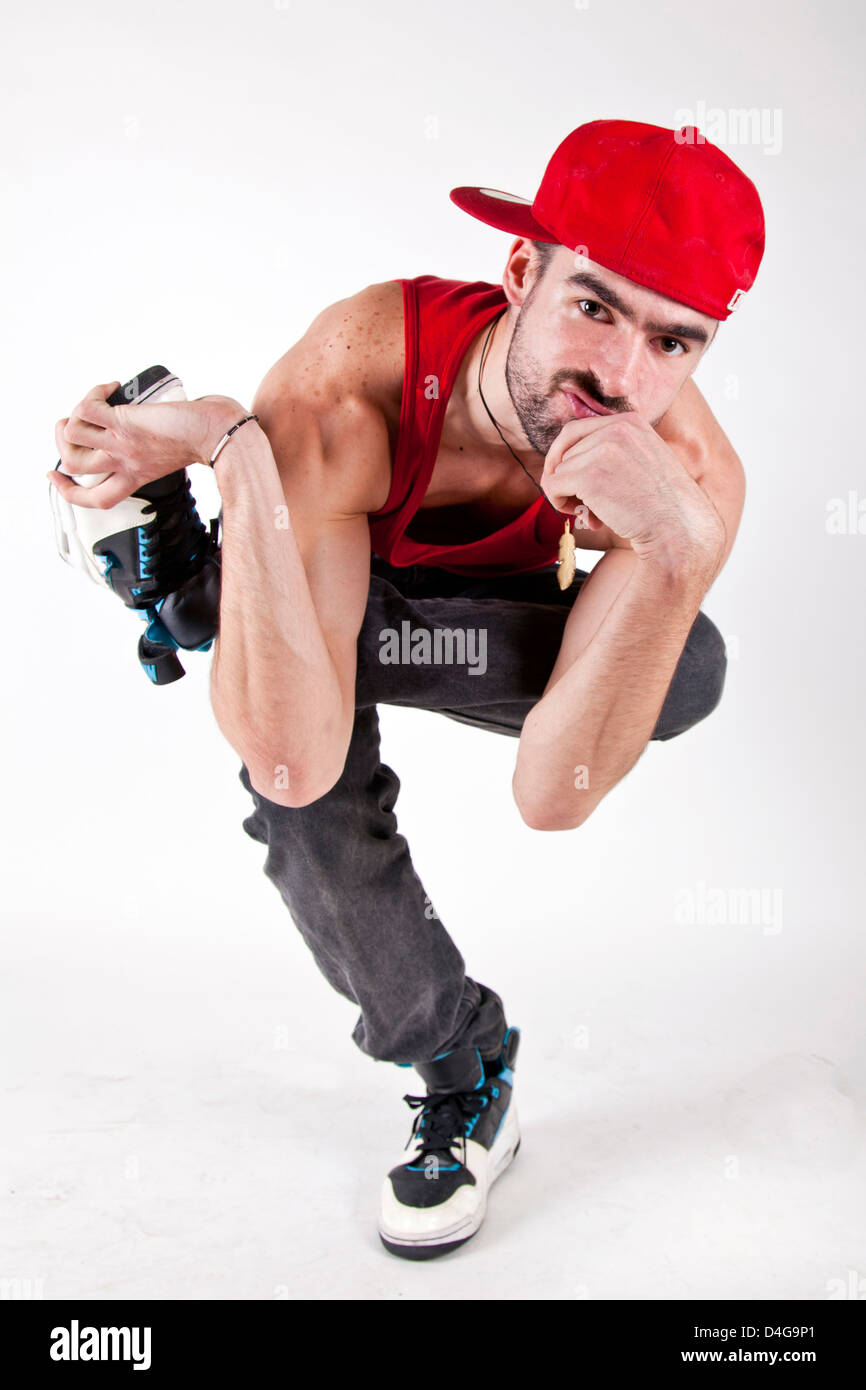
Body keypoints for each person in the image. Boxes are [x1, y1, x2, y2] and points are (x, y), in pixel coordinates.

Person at [49, 118, 765, 1261]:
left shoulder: (682, 476)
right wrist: (231, 442)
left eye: (673, 343)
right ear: (521, 272)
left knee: (685, 664)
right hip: (332, 571)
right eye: (593, 306)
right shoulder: (347, 388)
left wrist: (674, 552)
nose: (619, 379)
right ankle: (462, 1064)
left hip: (445, 625)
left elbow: (554, 792)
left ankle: (201, 588)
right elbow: (288, 756)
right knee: (304, 780)